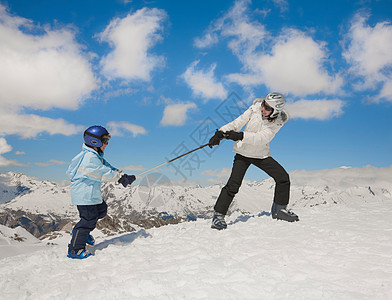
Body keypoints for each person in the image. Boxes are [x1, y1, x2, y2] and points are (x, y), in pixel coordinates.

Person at [208, 92, 299, 230]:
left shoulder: (277, 122)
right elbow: (237, 122)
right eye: (264, 105)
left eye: (268, 108)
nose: (263, 109)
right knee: (233, 185)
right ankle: (218, 216)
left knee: (283, 178)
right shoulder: (254, 108)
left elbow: (261, 138)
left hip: (260, 154)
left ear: (276, 111)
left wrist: (239, 135)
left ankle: (279, 211)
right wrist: (220, 133)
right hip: (243, 152)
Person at [66, 125, 136, 259]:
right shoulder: (89, 159)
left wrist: (122, 175)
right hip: (84, 195)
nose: (107, 144)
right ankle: (75, 249)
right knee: (88, 220)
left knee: (102, 210)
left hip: (91, 194)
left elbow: (107, 167)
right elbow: (102, 173)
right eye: (104, 141)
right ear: (94, 142)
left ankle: (80, 232)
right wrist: (119, 179)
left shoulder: (95, 156)